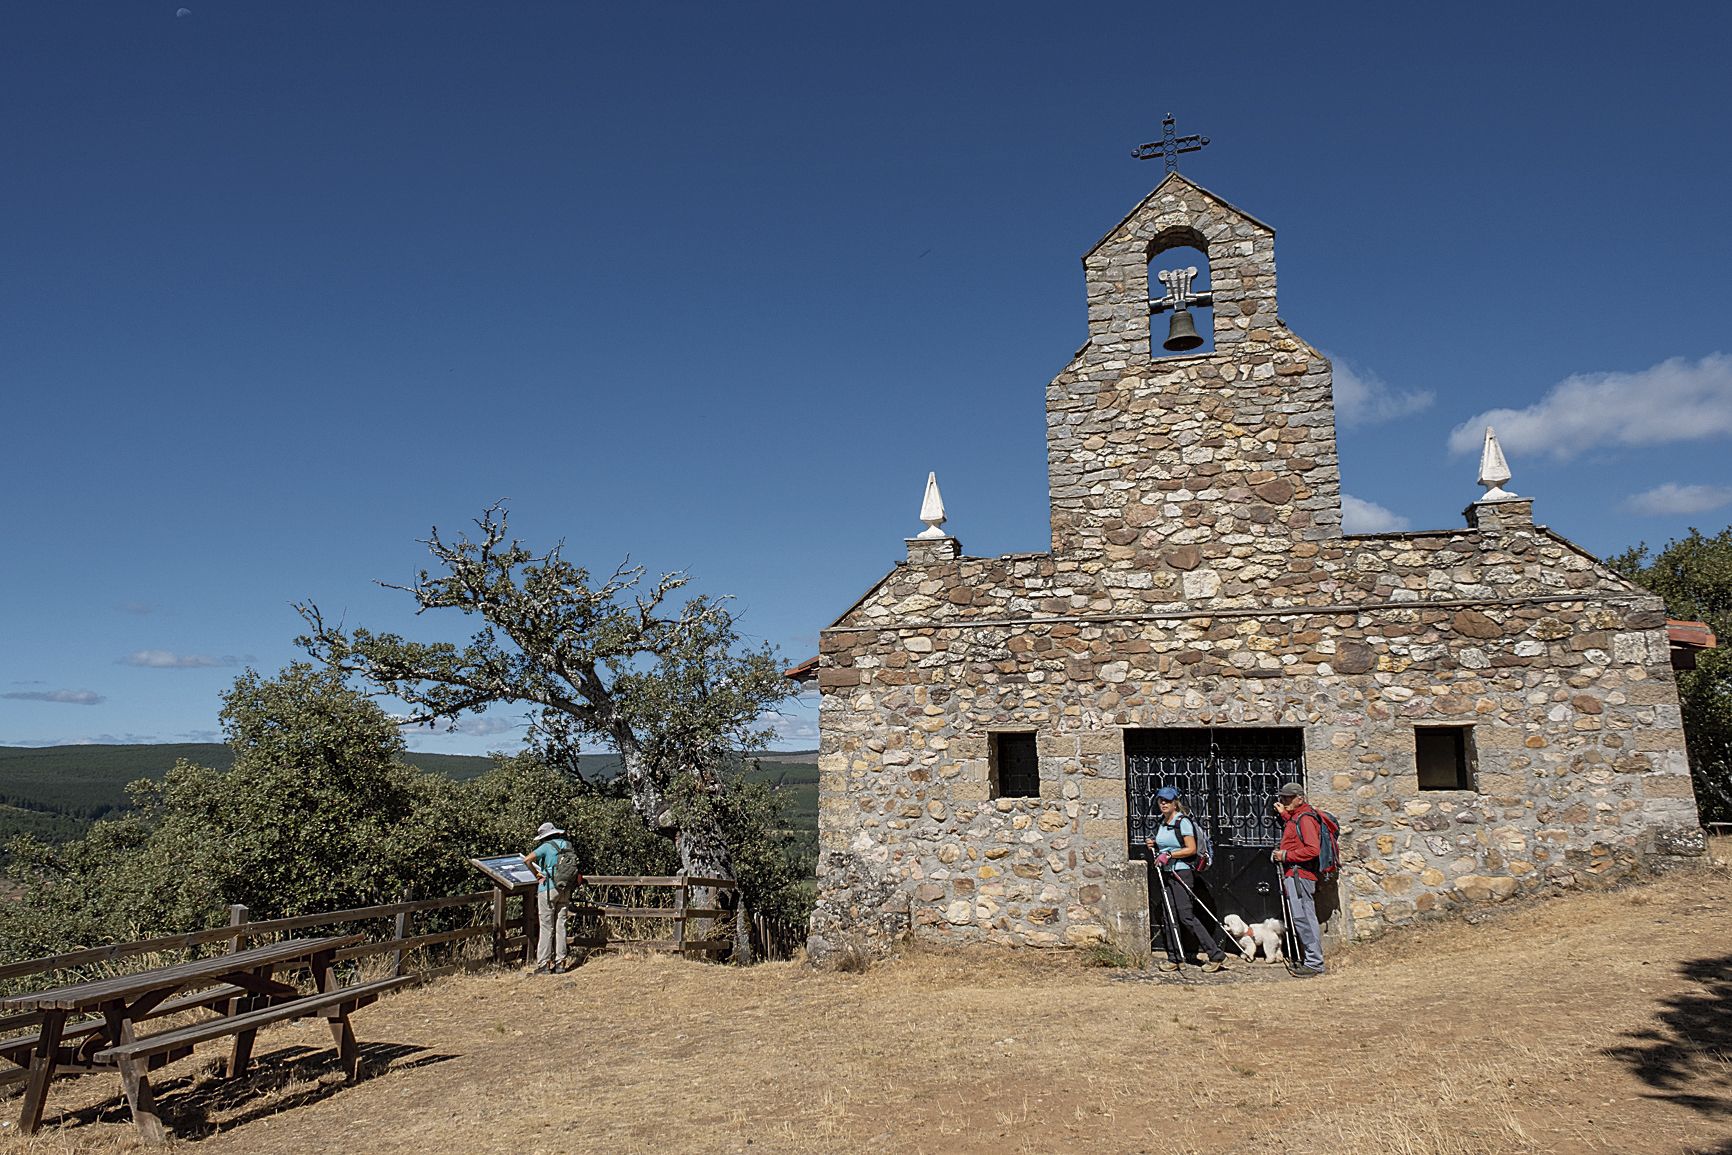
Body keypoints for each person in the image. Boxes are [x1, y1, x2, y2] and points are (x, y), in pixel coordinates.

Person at [1145, 785, 1228, 973]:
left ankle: (1215, 954)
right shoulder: (1163, 822)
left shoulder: (1182, 822)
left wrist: (1169, 855)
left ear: (1175, 803)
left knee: (1185, 916)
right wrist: (1155, 844)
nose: (1164, 804)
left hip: (1181, 873)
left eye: (1167, 800)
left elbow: (1190, 849)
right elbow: (1167, 844)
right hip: (1166, 873)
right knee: (1168, 916)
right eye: (1161, 800)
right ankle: (1174, 958)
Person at [1273, 781, 1326, 977]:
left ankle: (1314, 962)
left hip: (1299, 875)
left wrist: (1285, 855)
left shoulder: (1305, 819)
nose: (1284, 800)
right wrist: (1284, 815)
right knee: (1302, 917)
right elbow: (1295, 833)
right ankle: (1312, 960)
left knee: (1303, 918)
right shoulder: (1297, 817)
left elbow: (1312, 850)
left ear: (1300, 799)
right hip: (1296, 874)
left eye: (1288, 798)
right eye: (1282, 797)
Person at [522, 821, 573, 975]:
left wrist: (537, 875)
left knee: (546, 926)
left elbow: (527, 860)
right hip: (565, 888)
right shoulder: (567, 844)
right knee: (561, 925)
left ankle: (544, 964)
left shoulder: (545, 847)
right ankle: (560, 963)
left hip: (548, 889)